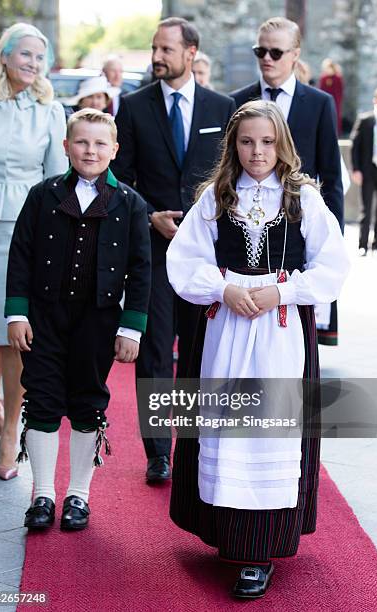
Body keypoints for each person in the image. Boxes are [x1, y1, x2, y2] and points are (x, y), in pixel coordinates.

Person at [166, 100, 349, 599]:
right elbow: (183, 261)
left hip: (281, 331)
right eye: (246, 141)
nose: (257, 152)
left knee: (271, 433)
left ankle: (259, 552)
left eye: (267, 142)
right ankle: (226, 533)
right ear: (233, 144)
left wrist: (282, 292)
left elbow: (332, 265)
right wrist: (224, 290)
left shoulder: (301, 199)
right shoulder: (216, 197)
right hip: (226, 328)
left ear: (282, 143)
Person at [5, 108, 151, 531]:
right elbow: (21, 254)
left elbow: (141, 269)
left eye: (100, 143)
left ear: (115, 150)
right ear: (66, 147)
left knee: (88, 400)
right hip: (44, 317)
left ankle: (78, 497)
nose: (90, 150)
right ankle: (44, 495)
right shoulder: (43, 194)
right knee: (44, 399)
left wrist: (131, 326)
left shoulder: (129, 203)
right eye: (82, 142)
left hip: (99, 320)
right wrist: (17, 312)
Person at [111, 17, 235, 482]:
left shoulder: (223, 107)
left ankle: (197, 447)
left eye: (166, 49)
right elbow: (118, 179)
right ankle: (159, 452)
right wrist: (147, 218)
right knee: (156, 350)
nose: (157, 57)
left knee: (204, 351)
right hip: (155, 251)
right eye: (154, 48)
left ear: (190, 52)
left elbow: (234, 175)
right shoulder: (133, 106)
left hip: (210, 256)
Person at [0, 22, 68, 480]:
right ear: (6, 56)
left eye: (41, 56)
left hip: (25, 231)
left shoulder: (49, 110)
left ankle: (11, 430)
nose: (34, 64)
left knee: (15, 335)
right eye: (26, 55)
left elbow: (55, 180)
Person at [230, 16, 344, 346]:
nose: (267, 58)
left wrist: (329, 234)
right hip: (246, 232)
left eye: (276, 52)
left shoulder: (319, 103)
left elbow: (331, 177)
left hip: (297, 229)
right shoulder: (237, 101)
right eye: (260, 51)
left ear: (295, 54)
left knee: (295, 340)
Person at [351, 86, 377, 256]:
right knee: (366, 209)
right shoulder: (365, 120)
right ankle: (362, 245)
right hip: (368, 170)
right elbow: (355, 146)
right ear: (376, 100)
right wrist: (356, 169)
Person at [318, 58, 344, 136]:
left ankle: (336, 132)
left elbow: (340, 91)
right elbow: (321, 90)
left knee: (335, 116)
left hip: (335, 101)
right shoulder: (323, 78)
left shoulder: (338, 78)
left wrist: (338, 101)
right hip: (325, 101)